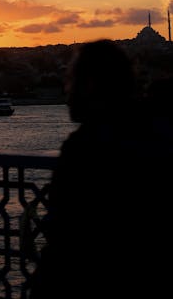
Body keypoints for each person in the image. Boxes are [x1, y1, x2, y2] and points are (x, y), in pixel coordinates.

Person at [29, 39, 173, 299]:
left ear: (91, 85)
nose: (66, 91)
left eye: (71, 80)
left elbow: (65, 238)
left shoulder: (85, 148)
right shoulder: (155, 133)